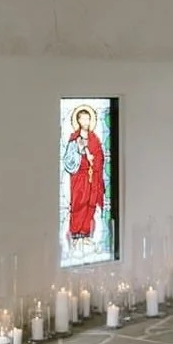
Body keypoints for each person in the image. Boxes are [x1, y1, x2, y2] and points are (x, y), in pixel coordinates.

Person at [62, 105, 106, 252]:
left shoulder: (94, 138)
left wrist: (95, 160)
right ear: (78, 121)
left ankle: (86, 235)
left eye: (88, 118)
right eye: (83, 119)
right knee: (78, 204)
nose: (86, 121)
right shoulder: (74, 138)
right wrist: (81, 156)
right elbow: (68, 158)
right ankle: (75, 236)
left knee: (90, 205)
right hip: (79, 177)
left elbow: (100, 155)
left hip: (93, 178)